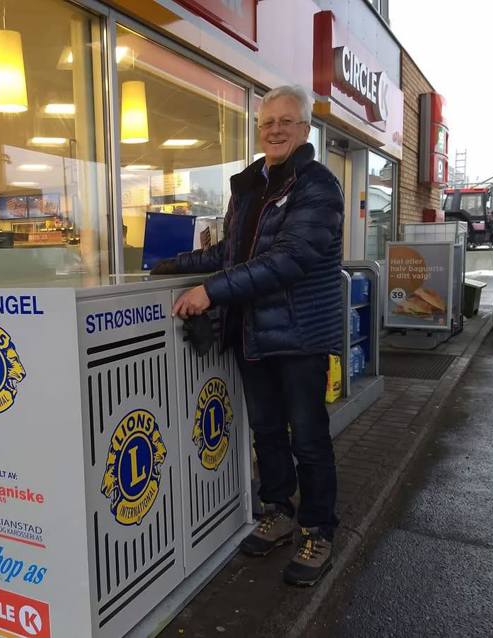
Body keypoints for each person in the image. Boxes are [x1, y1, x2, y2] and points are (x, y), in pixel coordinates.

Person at [153, 85, 344, 587]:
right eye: (267, 123)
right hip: (253, 333)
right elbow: (228, 254)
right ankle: (278, 510)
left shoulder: (317, 185)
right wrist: (166, 266)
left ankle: (318, 528)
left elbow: (289, 259)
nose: (276, 129)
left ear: (305, 129)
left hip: (299, 334)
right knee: (265, 431)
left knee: (308, 437)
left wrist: (211, 292)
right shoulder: (250, 185)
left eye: (286, 121)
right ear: (259, 130)